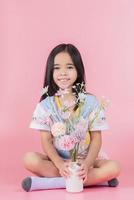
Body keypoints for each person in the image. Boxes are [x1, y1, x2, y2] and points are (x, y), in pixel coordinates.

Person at [21, 43, 120, 192]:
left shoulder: (91, 102)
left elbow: (96, 139)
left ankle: (47, 183)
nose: (63, 73)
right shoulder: (45, 105)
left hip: (86, 162)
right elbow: (46, 141)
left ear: (78, 71)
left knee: (114, 167)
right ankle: (96, 181)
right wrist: (60, 164)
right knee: (29, 159)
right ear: (50, 71)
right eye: (57, 68)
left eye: (69, 67)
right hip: (59, 162)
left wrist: (86, 164)